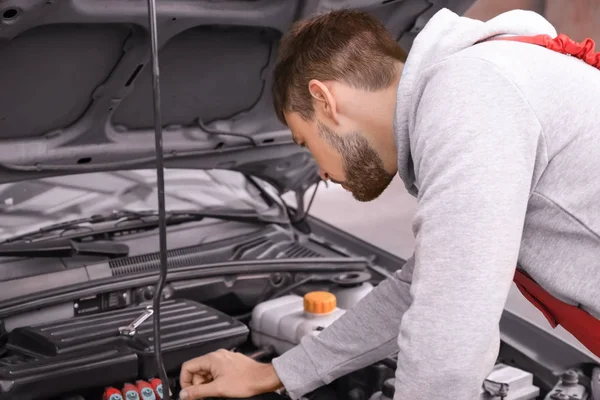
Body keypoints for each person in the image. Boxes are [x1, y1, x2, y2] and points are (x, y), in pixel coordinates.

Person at [178, 7, 600, 400]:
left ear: (324, 100)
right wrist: (276, 372)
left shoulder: (471, 97)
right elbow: (420, 291)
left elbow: (449, 345)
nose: (319, 172)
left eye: (306, 143)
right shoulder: (484, 83)